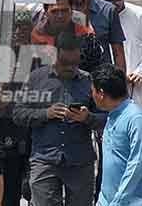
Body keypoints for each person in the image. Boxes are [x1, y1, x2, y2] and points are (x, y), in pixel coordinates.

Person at [13, 31, 106, 206]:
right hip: (45, 159)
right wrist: (45, 114)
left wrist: (88, 117)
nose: (70, 67)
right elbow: (18, 114)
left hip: (80, 160)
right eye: (65, 62)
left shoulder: (89, 81)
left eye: (74, 62)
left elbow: (108, 119)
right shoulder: (36, 79)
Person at [92, 64, 142, 206]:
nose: (91, 95)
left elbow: (137, 165)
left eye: (92, 91)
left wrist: (118, 201)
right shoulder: (113, 115)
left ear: (101, 93)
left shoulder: (137, 119)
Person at [96, 0, 142, 103]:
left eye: (118, 0)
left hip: (135, 90)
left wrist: (140, 72)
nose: (113, 5)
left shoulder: (140, 15)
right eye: (108, 0)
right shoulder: (95, 17)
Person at [66, 0, 127, 71]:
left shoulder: (108, 11)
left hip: (102, 78)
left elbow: (118, 53)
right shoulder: (61, 13)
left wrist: (120, 82)